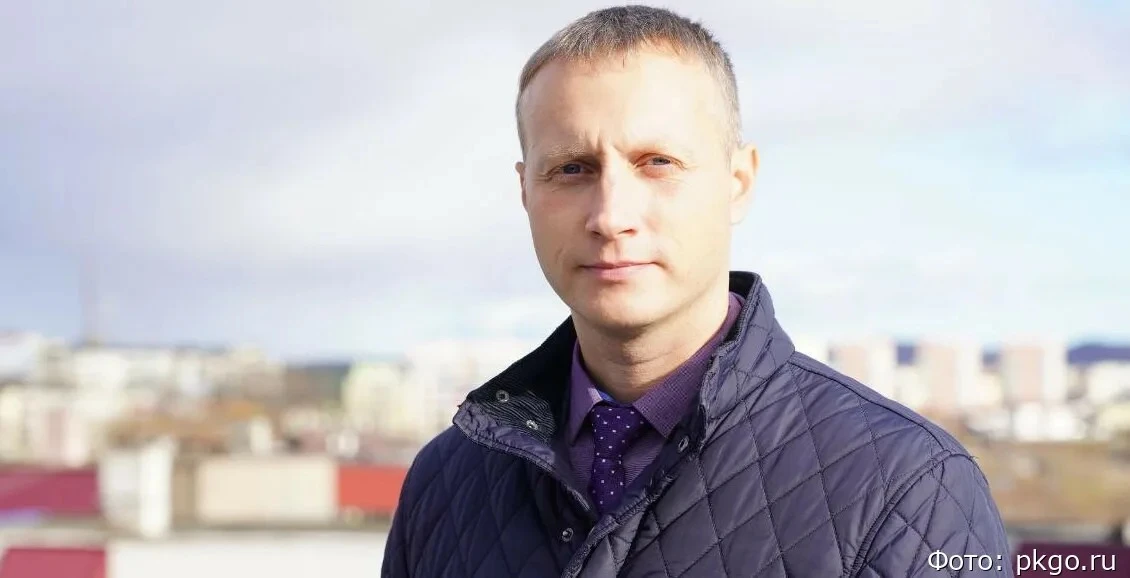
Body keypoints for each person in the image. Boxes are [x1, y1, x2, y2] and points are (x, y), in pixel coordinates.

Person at [382, 5, 1012, 577]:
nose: (611, 216)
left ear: (738, 183)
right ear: (525, 192)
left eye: (657, 163)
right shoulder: (446, 483)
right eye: (572, 168)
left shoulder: (912, 490)